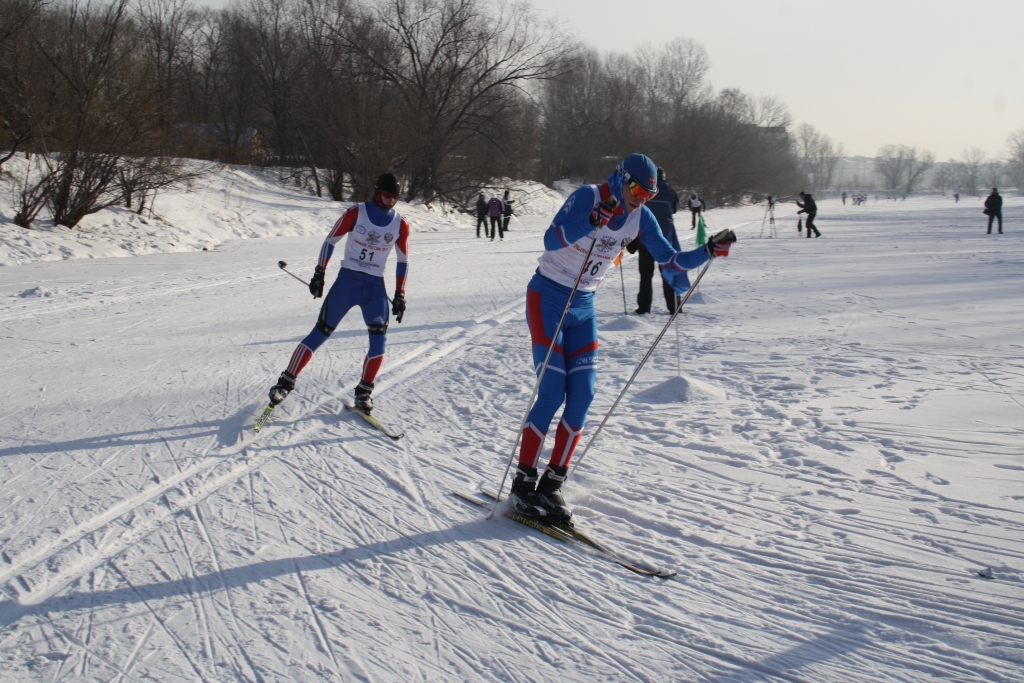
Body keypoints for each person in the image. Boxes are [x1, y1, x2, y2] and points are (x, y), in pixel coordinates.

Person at [507, 154, 736, 523]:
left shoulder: (641, 216)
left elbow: (671, 262)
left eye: (649, 193)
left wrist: (709, 250)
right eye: (637, 190)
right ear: (620, 179)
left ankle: (551, 485)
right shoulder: (588, 196)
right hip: (548, 296)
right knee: (552, 390)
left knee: (583, 394)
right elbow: (550, 240)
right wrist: (590, 221)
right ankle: (523, 482)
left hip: (583, 305)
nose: (641, 199)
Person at [267, 172, 410, 415]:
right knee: (320, 333)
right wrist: (319, 273)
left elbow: (403, 261)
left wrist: (400, 294)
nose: (391, 201)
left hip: (375, 288)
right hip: (348, 283)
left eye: (396, 196)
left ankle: (364, 392)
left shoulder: (401, 224)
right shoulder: (356, 212)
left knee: (379, 343)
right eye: (387, 195)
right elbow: (330, 241)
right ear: (377, 192)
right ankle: (285, 382)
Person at [630, 166, 681, 314]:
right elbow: (676, 208)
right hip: (665, 241)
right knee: (667, 273)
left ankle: (644, 307)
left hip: (645, 240)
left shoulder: (644, 192)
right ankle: (674, 306)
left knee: (646, 275)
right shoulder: (671, 192)